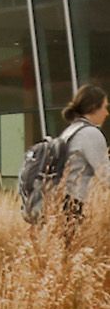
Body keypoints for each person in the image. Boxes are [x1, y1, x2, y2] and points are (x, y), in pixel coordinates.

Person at [59, 84, 109, 216]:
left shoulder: (70, 131)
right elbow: (106, 176)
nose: (107, 113)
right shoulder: (90, 133)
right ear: (94, 108)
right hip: (76, 205)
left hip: (62, 201)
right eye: (104, 107)